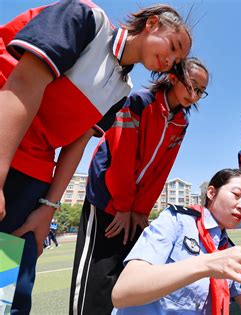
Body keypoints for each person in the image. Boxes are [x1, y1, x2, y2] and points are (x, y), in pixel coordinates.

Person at [0, 2, 192, 313]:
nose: (170, 60)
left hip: (34, 172)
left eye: (177, 59)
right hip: (3, 150)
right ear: (152, 24)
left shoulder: (121, 89)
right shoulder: (86, 17)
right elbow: (23, 83)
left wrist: (48, 207)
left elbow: (76, 145)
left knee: (9, 295)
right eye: (173, 46)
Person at [69, 57, 209, 315]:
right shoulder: (138, 102)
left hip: (133, 210)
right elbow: (121, 156)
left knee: (122, 277)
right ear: (173, 78)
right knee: (96, 276)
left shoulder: (181, 123)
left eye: (201, 91)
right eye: (192, 85)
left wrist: (141, 211)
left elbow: (160, 171)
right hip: (107, 197)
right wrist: (123, 206)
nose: (195, 94)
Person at [111, 168, 241, 315]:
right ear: (211, 192)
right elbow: (123, 292)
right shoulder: (176, 220)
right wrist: (207, 264)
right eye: (236, 195)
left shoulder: (228, 250)